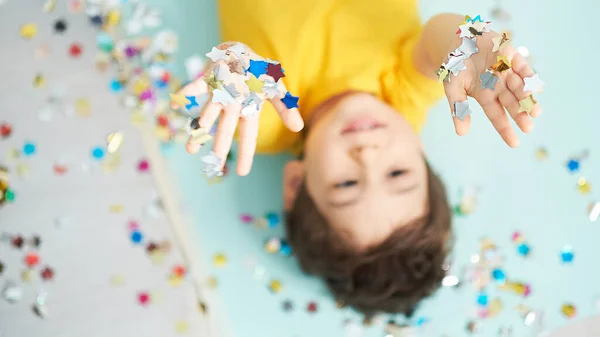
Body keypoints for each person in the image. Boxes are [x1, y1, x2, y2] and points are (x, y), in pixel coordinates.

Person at [172, 0, 543, 317]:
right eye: (397, 173)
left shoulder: (265, 120)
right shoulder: (402, 95)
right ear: (418, 151)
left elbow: (245, 74)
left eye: (347, 184)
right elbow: (438, 40)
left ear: (297, 182)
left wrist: (238, 68)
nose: (368, 156)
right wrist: (468, 45)